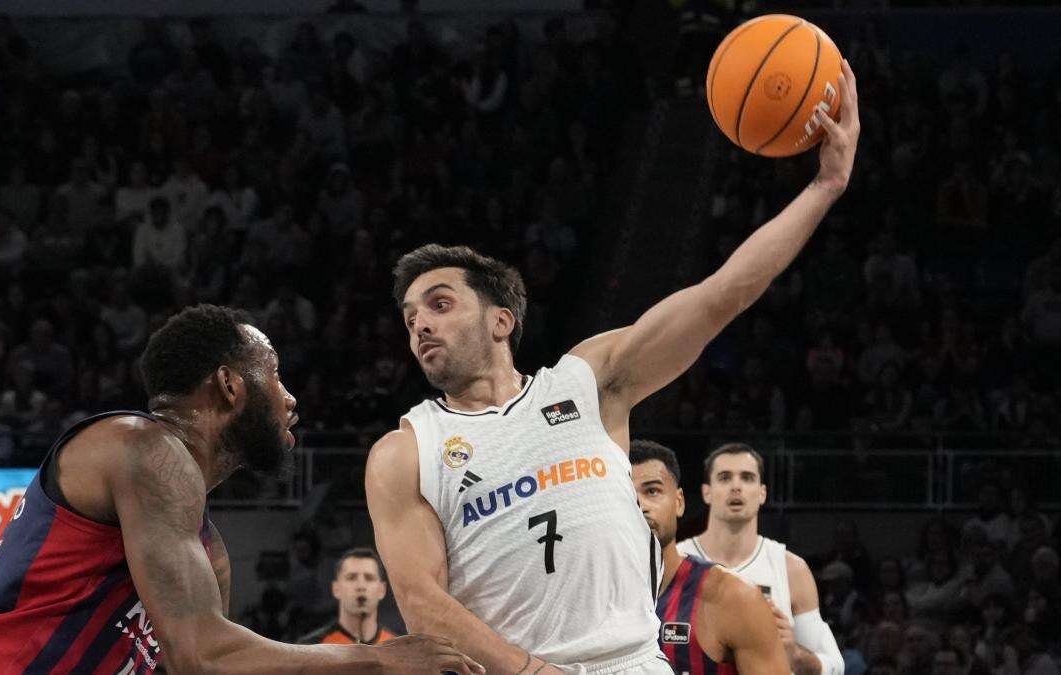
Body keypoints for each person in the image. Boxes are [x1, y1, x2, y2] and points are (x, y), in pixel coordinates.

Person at [366, 64, 859, 674]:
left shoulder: (587, 381)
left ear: (501, 321)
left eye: (440, 304)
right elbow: (421, 604)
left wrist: (825, 187)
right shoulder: (406, 450)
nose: (420, 324)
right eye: (410, 315)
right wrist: (530, 671)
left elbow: (720, 295)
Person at [0, 305, 481, 674]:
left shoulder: (207, 548)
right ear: (230, 384)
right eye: (276, 375)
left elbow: (213, 658)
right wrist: (379, 660)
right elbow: (200, 654)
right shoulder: (140, 446)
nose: (291, 400)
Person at [677, 444, 845, 675]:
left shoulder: (791, 569)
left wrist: (794, 653)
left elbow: (834, 665)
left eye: (747, 478)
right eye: (725, 478)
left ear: (762, 492)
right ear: (707, 492)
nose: (736, 487)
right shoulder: (674, 561)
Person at [629, 440, 788, 673]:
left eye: (652, 491)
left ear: (679, 502)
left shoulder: (734, 598)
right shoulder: (586, 598)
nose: (640, 505)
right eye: (627, 494)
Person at [299, 547, 400, 645]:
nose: (361, 586)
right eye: (351, 578)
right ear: (336, 588)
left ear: (382, 590)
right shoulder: (312, 648)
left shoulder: (396, 649)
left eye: (369, 578)